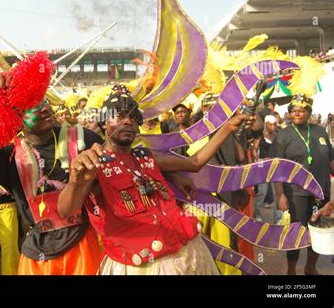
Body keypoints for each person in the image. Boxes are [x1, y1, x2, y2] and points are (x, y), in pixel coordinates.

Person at [57, 84, 255, 275]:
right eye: (119, 116)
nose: (128, 122)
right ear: (103, 123)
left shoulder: (145, 156)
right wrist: (75, 182)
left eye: (134, 118)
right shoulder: (93, 162)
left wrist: (227, 127)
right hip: (140, 266)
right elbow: (67, 211)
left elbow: (194, 163)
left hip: (187, 252)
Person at [0, 73, 103, 275]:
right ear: (16, 117)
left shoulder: (83, 138)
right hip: (37, 254)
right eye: (32, 106)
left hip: (84, 244)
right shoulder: (9, 156)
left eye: (44, 101)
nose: (45, 107)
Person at [269, 93, 334, 275]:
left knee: (319, 231)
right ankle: (291, 270)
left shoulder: (320, 131)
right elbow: (277, 168)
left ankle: (310, 267)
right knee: (296, 233)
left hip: (321, 193)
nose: (297, 113)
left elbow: (330, 159)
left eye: (302, 110)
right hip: (296, 193)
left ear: (309, 112)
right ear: (289, 114)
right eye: (294, 111)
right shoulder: (283, 136)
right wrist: (281, 194)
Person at [252, 115, 281, 224]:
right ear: (265, 124)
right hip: (263, 168)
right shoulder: (260, 136)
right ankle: (258, 214)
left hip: (275, 167)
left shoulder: (278, 136)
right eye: (270, 124)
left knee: (276, 192)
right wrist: (258, 160)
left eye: (275, 124)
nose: (273, 126)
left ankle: (277, 217)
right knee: (262, 192)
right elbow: (254, 149)